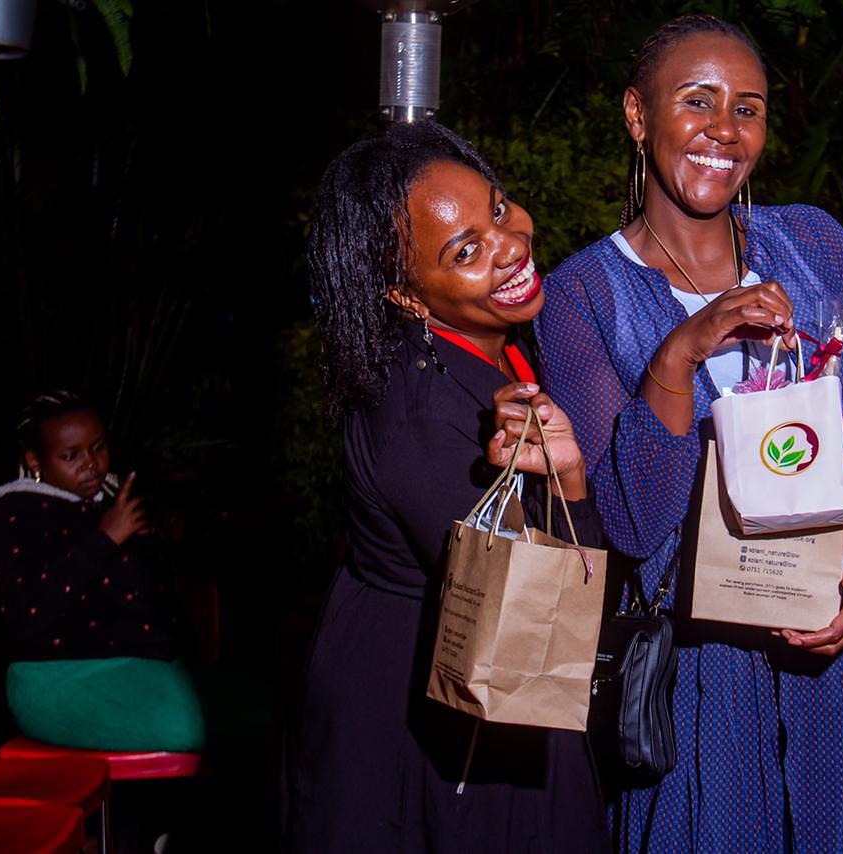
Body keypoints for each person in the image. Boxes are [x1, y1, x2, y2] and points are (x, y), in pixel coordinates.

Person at [534, 14, 843, 852]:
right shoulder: (582, 296)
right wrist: (682, 351)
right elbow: (632, 521)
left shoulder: (812, 243)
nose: (725, 131)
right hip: (711, 680)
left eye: (748, 108)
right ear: (637, 115)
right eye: (697, 101)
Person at [288, 121, 609, 853]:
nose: (509, 244)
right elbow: (535, 619)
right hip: (437, 722)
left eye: (497, 209)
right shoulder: (420, 413)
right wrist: (572, 482)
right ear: (404, 294)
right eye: (465, 251)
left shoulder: (495, 344)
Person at [0, 390, 205, 752]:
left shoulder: (113, 501)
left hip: (141, 664)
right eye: (70, 456)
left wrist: (156, 540)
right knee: (192, 728)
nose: (90, 464)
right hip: (56, 677)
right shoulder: (15, 512)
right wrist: (105, 538)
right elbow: (27, 615)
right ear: (35, 460)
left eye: (98, 447)